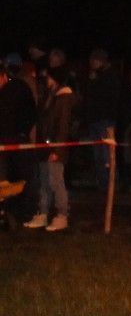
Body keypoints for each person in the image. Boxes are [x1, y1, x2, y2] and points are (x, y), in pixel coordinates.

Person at [25, 65, 74, 231]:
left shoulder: (64, 97)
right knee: (44, 181)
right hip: (44, 146)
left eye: (49, 77)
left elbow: (62, 127)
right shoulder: (49, 96)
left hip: (54, 147)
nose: (46, 79)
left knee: (56, 182)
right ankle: (43, 213)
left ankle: (62, 215)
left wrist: (57, 150)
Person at [0, 57, 39, 228]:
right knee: (13, 180)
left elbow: (29, 113)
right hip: (14, 140)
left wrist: (20, 131)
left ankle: (19, 212)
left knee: (17, 180)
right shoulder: (19, 88)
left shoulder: (12, 89)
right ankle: (15, 213)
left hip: (12, 141)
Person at [80, 48, 119, 192]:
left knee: (106, 154)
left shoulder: (109, 76)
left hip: (105, 120)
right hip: (94, 120)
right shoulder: (93, 76)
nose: (92, 63)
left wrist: (95, 82)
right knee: (98, 154)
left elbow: (107, 98)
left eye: (94, 60)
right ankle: (103, 184)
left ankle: (111, 184)